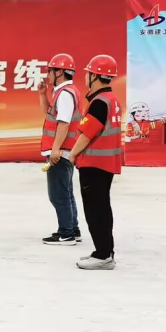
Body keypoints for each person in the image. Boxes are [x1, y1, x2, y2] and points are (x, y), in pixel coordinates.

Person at [69, 54, 123, 270]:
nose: (86, 77)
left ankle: (103, 256)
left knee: (95, 211)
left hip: (94, 164)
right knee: (102, 208)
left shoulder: (99, 102)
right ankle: (104, 251)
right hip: (105, 164)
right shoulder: (111, 99)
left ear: (95, 76)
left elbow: (87, 134)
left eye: (88, 73)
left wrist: (72, 154)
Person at [39, 53, 83, 246]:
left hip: (61, 151)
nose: (48, 74)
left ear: (60, 72)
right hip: (64, 150)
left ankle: (65, 234)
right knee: (66, 192)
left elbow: (64, 124)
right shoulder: (64, 92)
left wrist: (55, 150)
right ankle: (73, 229)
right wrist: (42, 94)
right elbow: (50, 114)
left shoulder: (65, 94)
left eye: (50, 70)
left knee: (58, 195)